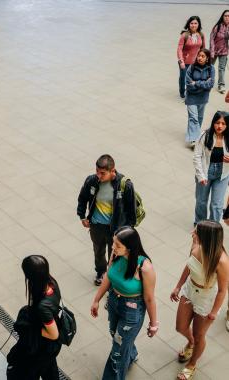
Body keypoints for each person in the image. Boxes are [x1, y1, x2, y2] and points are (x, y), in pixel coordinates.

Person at [90, 226, 158, 380]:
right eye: (113, 243)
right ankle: (131, 353)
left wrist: (154, 324)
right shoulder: (116, 255)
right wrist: (96, 300)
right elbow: (108, 276)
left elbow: (149, 298)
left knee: (117, 351)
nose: (113, 247)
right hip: (114, 300)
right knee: (115, 334)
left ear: (130, 247)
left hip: (132, 310)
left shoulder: (145, 268)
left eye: (117, 245)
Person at [170, 221, 229, 380]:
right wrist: (178, 286)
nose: (192, 233)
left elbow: (223, 290)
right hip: (190, 290)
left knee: (199, 335)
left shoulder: (222, 261)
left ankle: (192, 364)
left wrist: (214, 312)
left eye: (195, 232)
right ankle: (190, 343)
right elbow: (189, 266)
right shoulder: (196, 244)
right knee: (180, 327)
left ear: (206, 237)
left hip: (206, 298)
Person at [77, 154, 136, 286]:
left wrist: (129, 230)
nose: (99, 175)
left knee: (115, 253)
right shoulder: (91, 181)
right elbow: (82, 198)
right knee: (98, 251)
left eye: (102, 173)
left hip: (115, 229)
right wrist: (82, 216)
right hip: (96, 226)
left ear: (112, 171)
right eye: (97, 172)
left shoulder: (125, 185)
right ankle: (101, 272)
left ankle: (113, 276)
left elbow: (131, 210)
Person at [7, 255, 62, 380]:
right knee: (49, 370)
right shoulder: (51, 282)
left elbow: (54, 334)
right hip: (49, 348)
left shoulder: (43, 306)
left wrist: (32, 330)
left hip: (41, 346)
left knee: (30, 370)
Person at [193, 111, 229, 224]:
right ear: (213, 122)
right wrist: (201, 176)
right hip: (205, 172)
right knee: (201, 202)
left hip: (222, 175)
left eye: (223, 123)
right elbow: (197, 156)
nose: (220, 126)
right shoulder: (205, 135)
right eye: (217, 123)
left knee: (217, 205)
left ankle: (214, 228)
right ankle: (200, 225)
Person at [185, 49, 215, 148]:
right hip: (191, 97)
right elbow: (189, 84)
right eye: (199, 55)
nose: (200, 58)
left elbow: (210, 84)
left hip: (203, 98)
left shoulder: (211, 69)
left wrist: (197, 83)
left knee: (199, 118)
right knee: (193, 118)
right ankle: (195, 140)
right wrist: (203, 85)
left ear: (207, 59)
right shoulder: (191, 67)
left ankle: (193, 134)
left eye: (203, 56)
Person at [178, 16, 205, 99]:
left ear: (198, 24)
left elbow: (203, 49)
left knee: (195, 78)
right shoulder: (184, 35)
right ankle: (182, 92)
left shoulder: (201, 35)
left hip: (196, 62)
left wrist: (204, 59)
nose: (193, 25)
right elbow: (179, 49)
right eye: (192, 23)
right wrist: (181, 61)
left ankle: (191, 93)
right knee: (184, 78)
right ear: (189, 24)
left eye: (195, 23)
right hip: (185, 61)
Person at [210, 10, 229, 94]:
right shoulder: (217, 27)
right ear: (222, 16)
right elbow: (211, 39)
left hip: (224, 51)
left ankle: (221, 84)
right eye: (225, 16)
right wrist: (212, 51)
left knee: (221, 68)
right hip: (214, 50)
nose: (227, 17)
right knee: (209, 67)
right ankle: (207, 81)